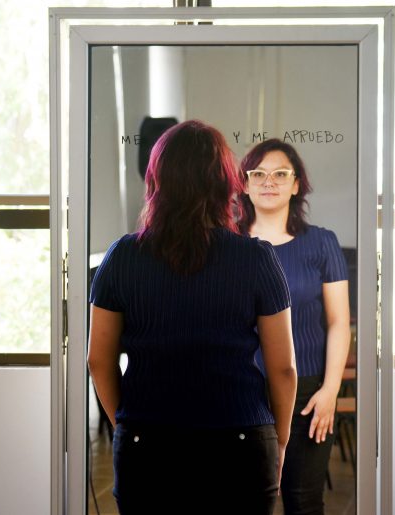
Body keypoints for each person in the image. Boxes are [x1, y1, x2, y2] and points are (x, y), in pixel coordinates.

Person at [88, 120, 297, 515]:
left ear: (156, 181)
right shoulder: (256, 259)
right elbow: (283, 367)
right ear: (225, 184)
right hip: (240, 441)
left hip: (147, 442)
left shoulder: (122, 258)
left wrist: (128, 429)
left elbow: (99, 360)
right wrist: (280, 440)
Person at [238, 138, 351, 515]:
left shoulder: (322, 243)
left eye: (280, 174)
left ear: (296, 183)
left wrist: (330, 390)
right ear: (244, 183)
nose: (269, 182)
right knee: (247, 501)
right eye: (258, 174)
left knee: (304, 502)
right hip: (242, 393)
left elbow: (338, 323)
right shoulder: (227, 245)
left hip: (308, 395)